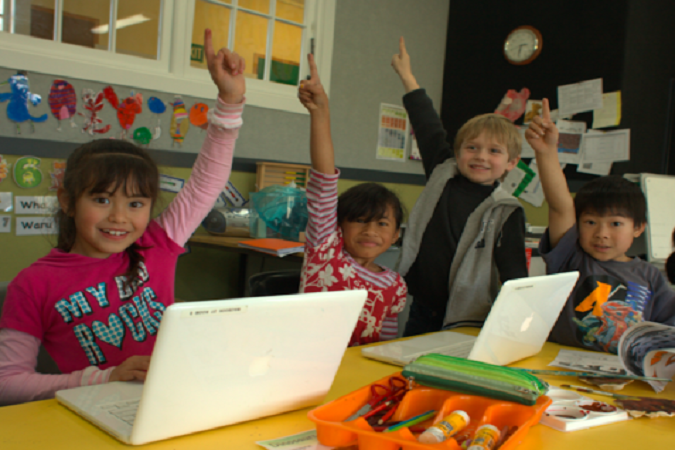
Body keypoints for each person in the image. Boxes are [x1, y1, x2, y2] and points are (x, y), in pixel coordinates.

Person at [0, 29, 246, 405]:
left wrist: (230, 103)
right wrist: (103, 378)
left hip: (173, 400)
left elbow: (206, 182)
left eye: (135, 203)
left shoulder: (156, 244)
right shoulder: (32, 285)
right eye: (100, 199)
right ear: (67, 200)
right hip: (93, 414)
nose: (119, 217)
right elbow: (8, 382)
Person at [392, 37, 527, 336]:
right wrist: (408, 78)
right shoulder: (443, 170)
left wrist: (515, 323)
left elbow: (514, 272)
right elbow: (427, 124)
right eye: (472, 147)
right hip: (422, 308)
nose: (480, 156)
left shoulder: (507, 211)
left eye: (494, 151)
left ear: (511, 163)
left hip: (469, 318)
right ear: (458, 150)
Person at [526, 98, 675, 353]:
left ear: (638, 228)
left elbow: (667, 333)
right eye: (591, 222)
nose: (602, 234)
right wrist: (546, 151)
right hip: (561, 366)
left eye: (616, 223)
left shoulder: (650, 276)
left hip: (621, 375)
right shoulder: (570, 257)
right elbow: (560, 205)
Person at [298, 53, 407, 346]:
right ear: (338, 225)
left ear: (396, 235)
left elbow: (384, 343)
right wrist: (320, 113)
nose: (371, 231)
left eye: (382, 223)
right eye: (359, 220)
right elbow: (323, 182)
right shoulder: (325, 252)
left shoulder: (395, 286)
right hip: (306, 364)